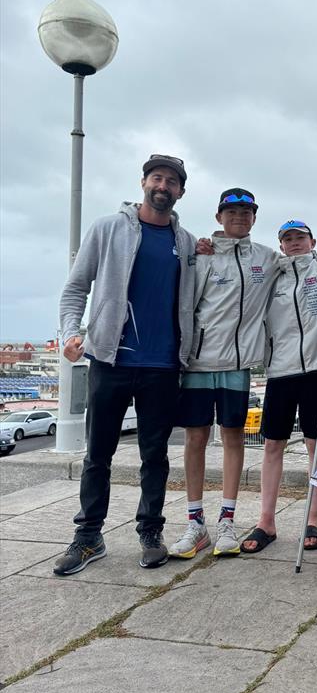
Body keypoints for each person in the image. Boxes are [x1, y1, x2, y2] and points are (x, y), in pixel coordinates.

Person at [54, 154, 196, 575]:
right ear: (143, 183)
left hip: (163, 366)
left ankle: (150, 530)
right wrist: (69, 334)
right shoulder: (107, 228)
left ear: (181, 191)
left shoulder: (185, 241)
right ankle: (88, 536)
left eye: (172, 181)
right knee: (98, 453)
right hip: (110, 360)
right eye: (157, 177)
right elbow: (76, 287)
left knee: (156, 455)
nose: (164, 186)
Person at [168, 189, 280, 560]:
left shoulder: (266, 257)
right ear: (219, 217)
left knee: (234, 439)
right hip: (198, 364)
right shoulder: (201, 256)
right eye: (232, 211)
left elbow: (307, 262)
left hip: (238, 365)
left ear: (253, 217)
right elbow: (181, 302)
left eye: (246, 212)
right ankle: (195, 522)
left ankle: (227, 521)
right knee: (196, 439)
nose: (239, 217)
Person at [241, 220, 317, 554]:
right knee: (272, 444)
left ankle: (313, 518)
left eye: (300, 237)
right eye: (288, 238)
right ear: (280, 244)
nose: (294, 242)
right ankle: (265, 521)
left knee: (316, 445)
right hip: (280, 370)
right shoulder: (273, 274)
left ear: (312, 240)